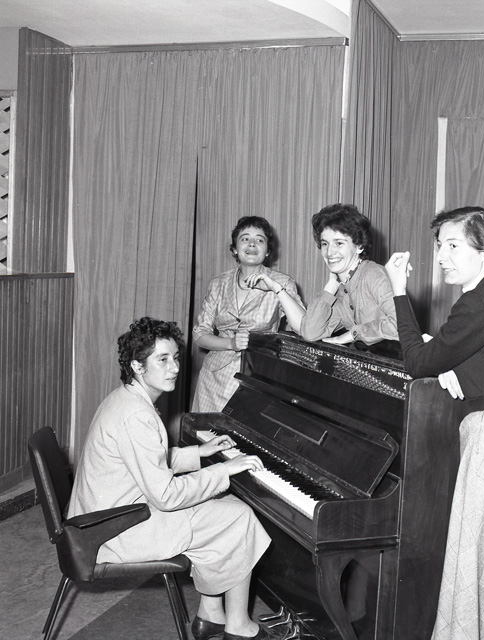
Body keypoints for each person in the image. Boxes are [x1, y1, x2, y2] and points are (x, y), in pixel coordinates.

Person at [384, 206, 484, 640]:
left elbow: (416, 361)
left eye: (453, 246)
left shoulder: (482, 299)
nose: (441, 256)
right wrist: (453, 364)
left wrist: (398, 291)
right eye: (440, 246)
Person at [68, 317, 279, 640]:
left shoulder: (127, 399)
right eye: (163, 360)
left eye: (176, 358)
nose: (175, 368)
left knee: (222, 509)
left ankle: (211, 615)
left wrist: (200, 453)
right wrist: (223, 469)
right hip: (112, 532)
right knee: (239, 517)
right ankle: (238, 626)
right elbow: (165, 496)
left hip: (107, 518)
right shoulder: (136, 415)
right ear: (137, 366)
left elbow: (148, 462)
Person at [192, 216, 304, 412]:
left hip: (258, 377)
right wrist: (230, 343)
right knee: (206, 430)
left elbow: (304, 327)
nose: (252, 244)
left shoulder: (283, 282)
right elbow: (200, 334)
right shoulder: (218, 283)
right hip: (213, 381)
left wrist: (276, 289)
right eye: (245, 238)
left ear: (267, 251)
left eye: (260, 239)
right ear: (235, 248)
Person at [300, 203, 398, 346]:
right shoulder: (341, 288)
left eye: (339, 243)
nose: (329, 252)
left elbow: (401, 326)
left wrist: (353, 334)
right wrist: (330, 287)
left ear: (359, 246)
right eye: (325, 244)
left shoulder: (374, 275)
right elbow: (310, 332)